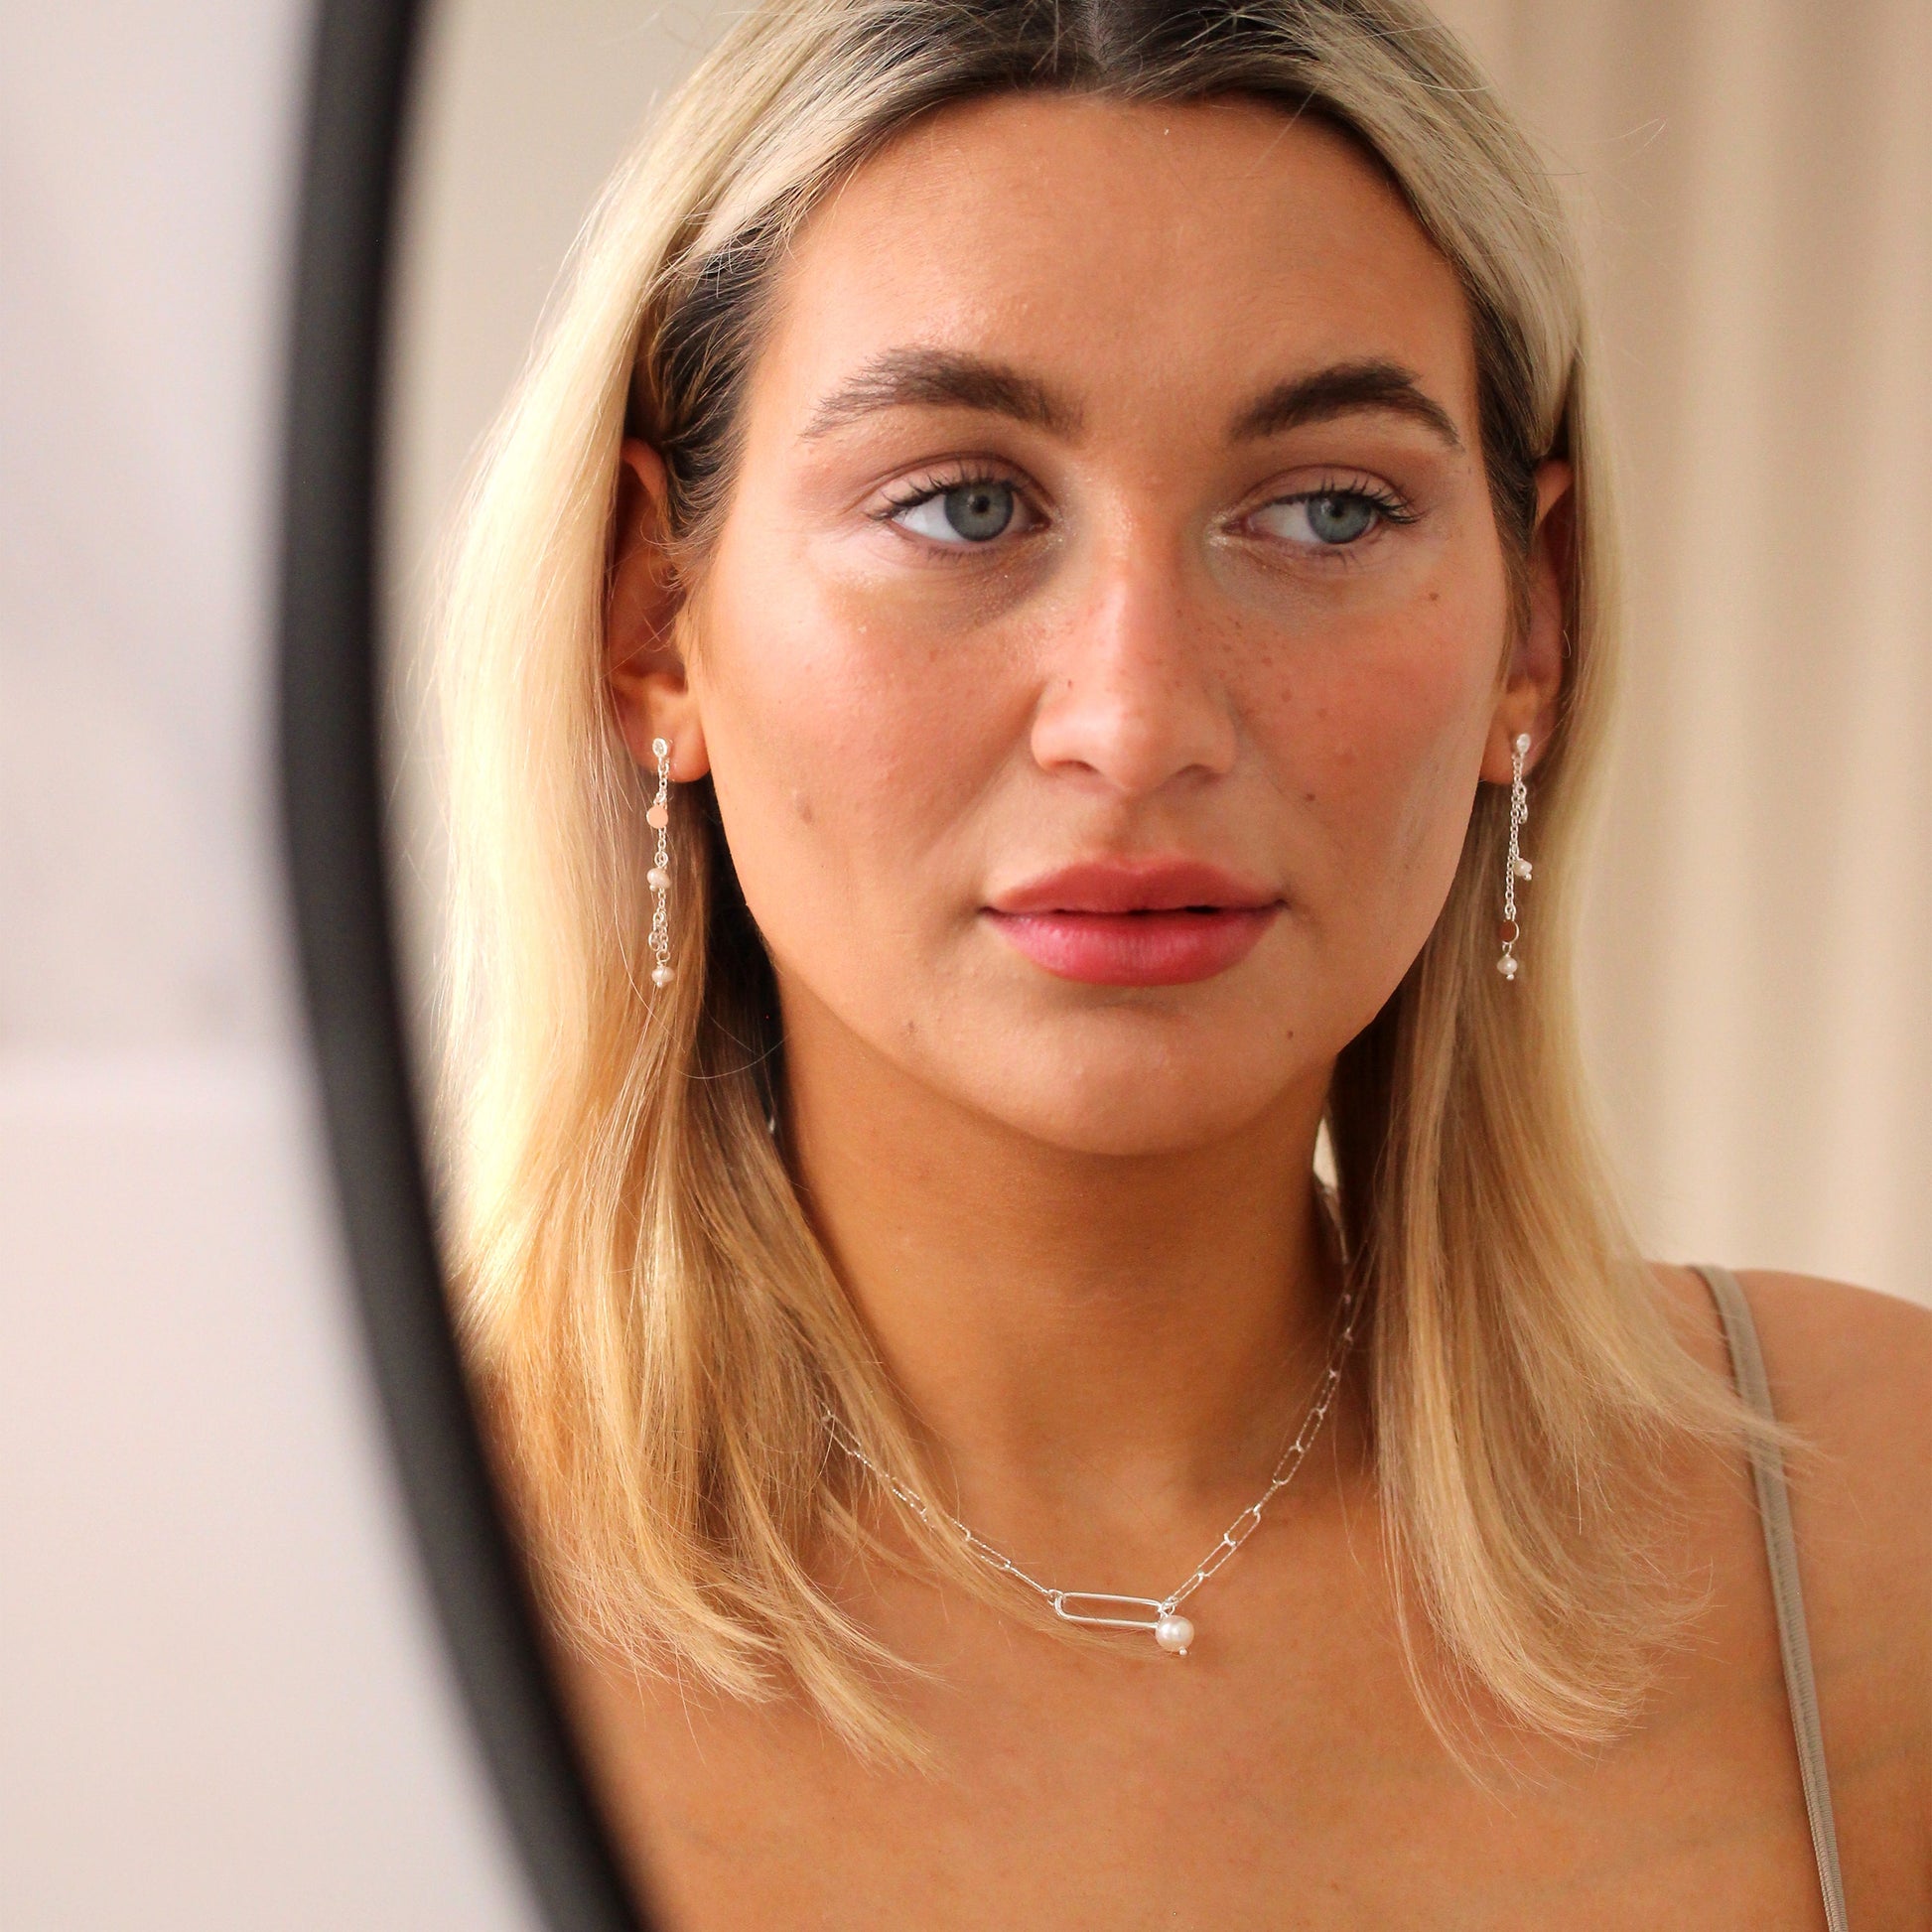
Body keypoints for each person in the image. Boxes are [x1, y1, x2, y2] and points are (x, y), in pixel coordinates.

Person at [432, 0, 1932, 1922]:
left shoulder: (1874, 1522)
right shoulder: (300, 1561)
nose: (1135, 722)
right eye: (961, 504)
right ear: (652, 621)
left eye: (1326, 509)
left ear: (1530, 635)